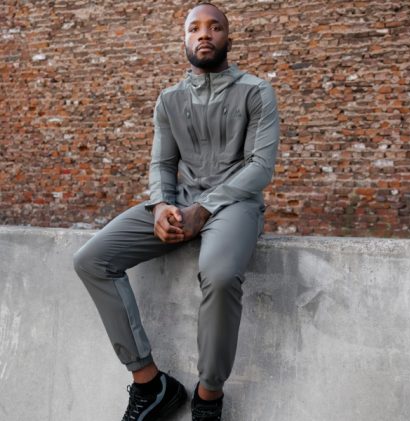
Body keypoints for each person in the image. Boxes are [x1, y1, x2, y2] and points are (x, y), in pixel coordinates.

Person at [73, 2, 279, 420]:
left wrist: (204, 209)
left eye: (214, 27)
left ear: (227, 38)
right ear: (184, 39)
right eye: (194, 28)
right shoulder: (169, 100)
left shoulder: (256, 92)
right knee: (91, 260)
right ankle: (150, 384)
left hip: (234, 204)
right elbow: (162, 165)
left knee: (220, 275)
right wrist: (161, 205)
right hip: (180, 201)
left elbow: (260, 167)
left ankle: (208, 397)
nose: (204, 34)